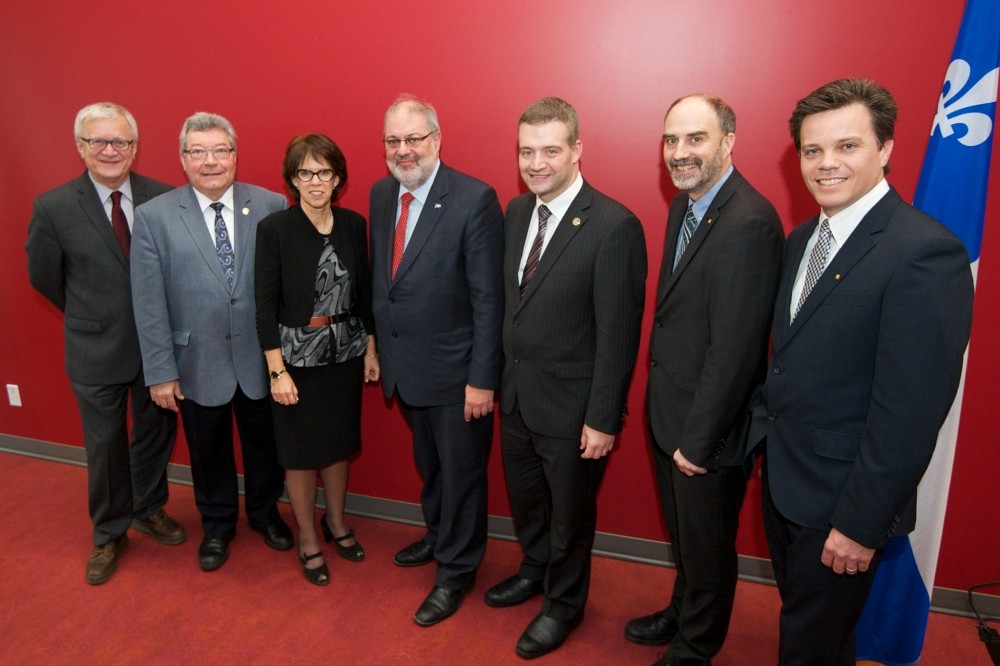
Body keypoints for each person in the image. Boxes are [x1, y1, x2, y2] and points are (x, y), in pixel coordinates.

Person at [748, 78, 974, 665]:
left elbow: (911, 411)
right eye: (812, 150)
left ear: (887, 149)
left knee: (807, 644)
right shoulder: (802, 241)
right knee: (817, 633)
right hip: (787, 485)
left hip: (842, 505)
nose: (826, 164)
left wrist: (861, 523)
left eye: (847, 146)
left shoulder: (924, 252)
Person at [624, 95, 784, 666]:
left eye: (695, 139)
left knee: (710, 546)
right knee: (686, 538)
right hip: (671, 411)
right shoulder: (686, 207)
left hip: (707, 430)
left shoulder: (750, 222)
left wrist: (697, 439)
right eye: (671, 140)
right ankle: (682, 610)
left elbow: (737, 351)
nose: (680, 152)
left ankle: (696, 646)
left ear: (728, 141)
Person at [487, 97, 647, 659]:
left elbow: (618, 336)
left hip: (574, 410)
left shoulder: (614, 226)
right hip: (516, 398)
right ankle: (534, 571)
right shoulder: (514, 212)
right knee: (529, 504)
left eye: (550, 150)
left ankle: (564, 605)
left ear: (577, 150)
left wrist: (602, 419)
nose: (536, 163)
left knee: (570, 519)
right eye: (527, 151)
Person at [26, 102, 184, 585]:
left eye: (121, 141)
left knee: (155, 435)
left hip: (157, 349)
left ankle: (148, 507)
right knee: (105, 445)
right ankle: (109, 531)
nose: (110, 150)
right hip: (95, 349)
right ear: (81, 146)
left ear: (135, 148)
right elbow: (44, 279)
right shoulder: (52, 207)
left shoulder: (164, 198)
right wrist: (94, 315)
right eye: (99, 141)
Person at [131, 112, 293, 572]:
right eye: (198, 151)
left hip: (261, 359)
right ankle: (218, 525)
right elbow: (148, 302)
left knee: (266, 446)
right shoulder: (154, 217)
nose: (211, 161)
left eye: (220, 151)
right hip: (194, 359)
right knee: (208, 452)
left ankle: (265, 514)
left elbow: (285, 289)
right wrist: (160, 371)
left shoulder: (270, 205)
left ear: (234, 156)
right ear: (183, 159)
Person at [369, 94, 504, 626]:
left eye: (414, 139)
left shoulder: (474, 199)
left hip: (457, 375)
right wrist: (378, 348)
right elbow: (388, 284)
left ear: (436, 140)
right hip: (406, 368)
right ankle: (438, 537)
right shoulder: (383, 194)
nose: (404, 151)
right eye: (394, 141)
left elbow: (488, 300)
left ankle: (456, 571)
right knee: (430, 469)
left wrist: (481, 380)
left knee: (462, 475)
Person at [254, 134, 379, 586]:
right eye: (305, 173)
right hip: (295, 360)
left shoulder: (353, 224)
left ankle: (338, 523)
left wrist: (370, 348)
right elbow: (263, 305)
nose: (315, 181)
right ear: (292, 179)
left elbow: (363, 293)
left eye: (323, 172)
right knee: (301, 454)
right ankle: (308, 537)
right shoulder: (275, 230)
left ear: (338, 178)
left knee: (339, 445)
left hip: (345, 353)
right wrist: (276, 370)